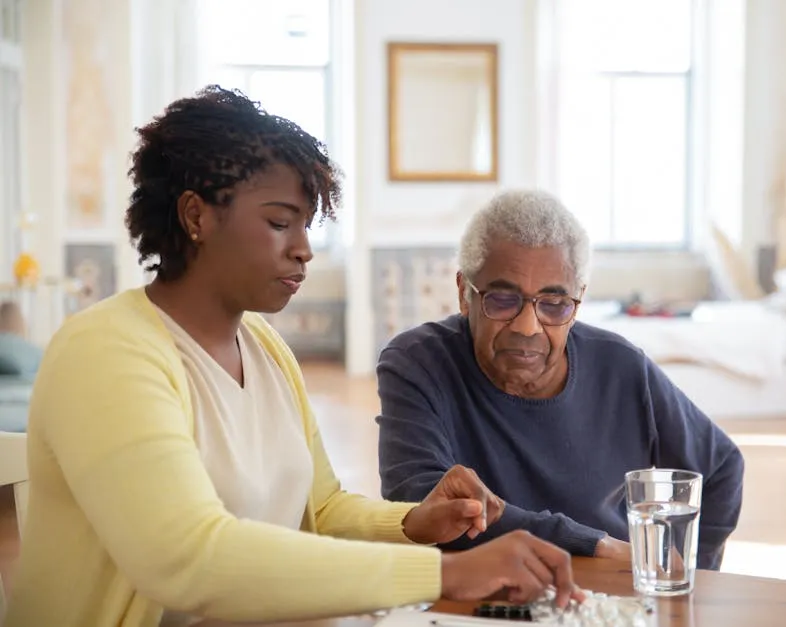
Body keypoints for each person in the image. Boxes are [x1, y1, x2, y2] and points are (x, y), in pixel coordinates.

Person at [4, 89, 582, 627]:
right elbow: (187, 558)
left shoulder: (264, 347)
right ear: (195, 216)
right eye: (280, 222)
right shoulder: (106, 353)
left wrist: (411, 523)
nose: (303, 247)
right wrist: (448, 571)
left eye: (307, 225)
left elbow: (321, 508)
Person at [376, 189, 745, 571]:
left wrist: (691, 576)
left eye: (554, 305)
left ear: (577, 301)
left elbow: (721, 467)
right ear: (464, 294)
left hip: (605, 599)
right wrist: (594, 544)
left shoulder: (621, 368)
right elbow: (421, 503)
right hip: (475, 596)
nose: (526, 327)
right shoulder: (417, 363)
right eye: (503, 300)